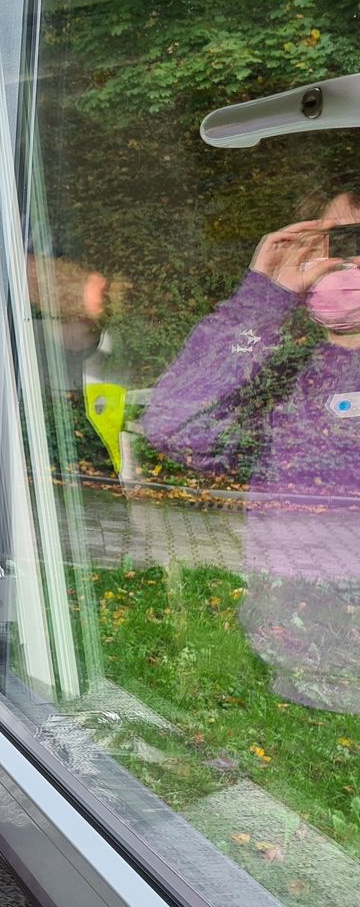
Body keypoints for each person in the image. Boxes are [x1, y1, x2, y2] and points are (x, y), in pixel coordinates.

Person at [145, 189, 360, 713]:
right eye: (331, 239)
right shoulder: (281, 369)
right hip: (290, 659)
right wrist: (264, 298)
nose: (346, 258)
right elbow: (177, 429)